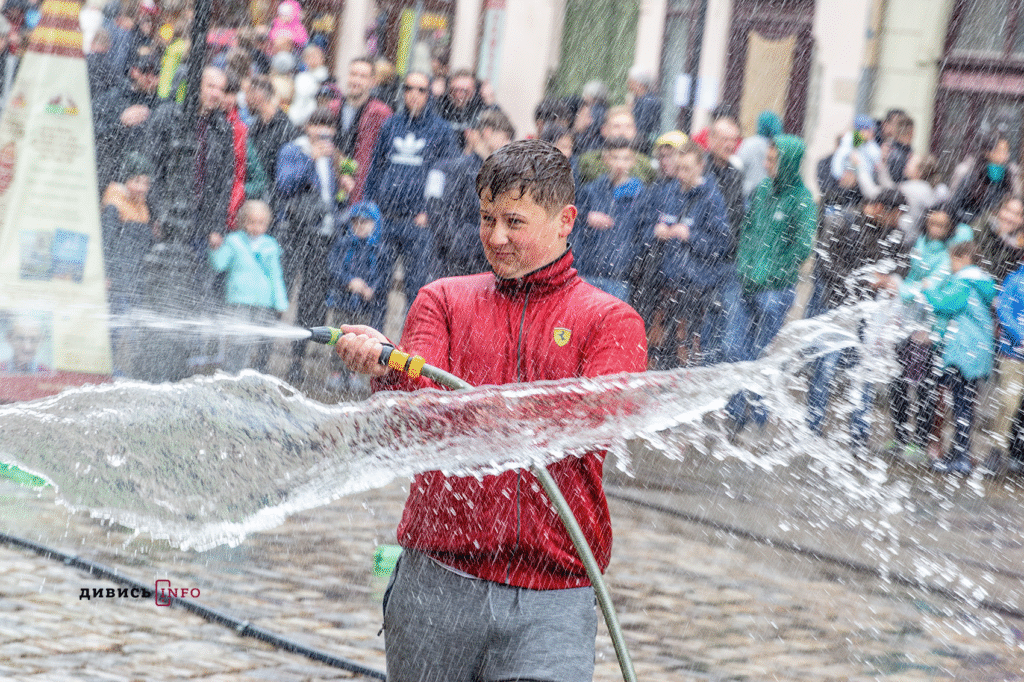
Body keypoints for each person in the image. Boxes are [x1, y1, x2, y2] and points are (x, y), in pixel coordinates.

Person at [333, 139, 647, 682]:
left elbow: (594, 422)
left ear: (565, 221)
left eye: (514, 222)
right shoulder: (443, 300)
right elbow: (420, 414)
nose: (496, 237)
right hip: (437, 579)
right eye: (486, 218)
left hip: (552, 593)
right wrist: (387, 367)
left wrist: (477, 413)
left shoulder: (611, 322)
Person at [363, 70, 459, 313]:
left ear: (429, 94)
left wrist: (431, 211)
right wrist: (369, 207)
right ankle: (375, 337)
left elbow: (448, 175)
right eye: (409, 88)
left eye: (421, 90)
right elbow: (376, 168)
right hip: (386, 218)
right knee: (376, 286)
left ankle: (411, 338)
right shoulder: (391, 125)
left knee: (416, 291)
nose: (414, 94)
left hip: (418, 222)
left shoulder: (441, 130)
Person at [885, 205, 972, 461]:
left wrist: (900, 288)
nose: (935, 229)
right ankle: (900, 435)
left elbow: (930, 286)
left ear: (949, 229)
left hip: (931, 329)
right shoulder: (920, 244)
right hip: (907, 322)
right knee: (897, 381)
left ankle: (921, 442)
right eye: (932, 223)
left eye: (941, 226)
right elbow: (913, 279)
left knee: (925, 388)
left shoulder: (947, 255)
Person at [725, 135, 816, 362]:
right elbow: (748, 229)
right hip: (746, 282)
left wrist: (773, 270)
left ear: (788, 163)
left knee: (760, 358)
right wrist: (745, 263)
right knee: (731, 348)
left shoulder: (802, 199)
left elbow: (803, 246)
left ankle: (754, 388)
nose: (766, 165)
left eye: (773, 160)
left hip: (775, 290)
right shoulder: (763, 188)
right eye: (767, 158)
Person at [643, 140, 731, 369]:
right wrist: (655, 231)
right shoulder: (667, 192)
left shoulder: (712, 199)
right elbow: (642, 226)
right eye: (679, 168)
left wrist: (691, 236)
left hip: (695, 290)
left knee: (687, 354)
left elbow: (721, 245)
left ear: (700, 166)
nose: (681, 175)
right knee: (656, 351)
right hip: (664, 284)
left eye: (687, 169)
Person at [275, 107, 344, 385]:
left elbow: (330, 196)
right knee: (283, 292)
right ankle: (262, 355)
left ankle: (297, 359)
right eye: (317, 124)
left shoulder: (332, 156)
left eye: (328, 126)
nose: (323, 131)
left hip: (323, 236)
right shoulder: (294, 150)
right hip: (296, 232)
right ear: (307, 127)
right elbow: (284, 184)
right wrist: (309, 160)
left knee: (312, 300)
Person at [920, 241, 996, 474]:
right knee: (965, 403)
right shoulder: (980, 283)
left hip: (964, 352)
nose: (950, 266)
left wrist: (928, 289)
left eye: (952, 260)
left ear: (963, 259)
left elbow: (943, 305)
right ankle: (960, 452)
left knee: (961, 404)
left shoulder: (964, 283)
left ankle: (961, 457)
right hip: (976, 352)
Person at [426, 109, 515, 279]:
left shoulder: (501, 176)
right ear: (487, 132)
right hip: (455, 266)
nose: (508, 143)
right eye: (505, 137)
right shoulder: (455, 169)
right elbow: (441, 216)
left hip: (484, 264)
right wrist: (462, 248)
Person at [207, 200, 289, 373]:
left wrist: (280, 302)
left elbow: (276, 276)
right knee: (239, 340)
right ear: (243, 221)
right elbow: (219, 265)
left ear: (267, 223)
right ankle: (232, 372)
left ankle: (249, 373)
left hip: (263, 301)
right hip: (239, 300)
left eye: (261, 223)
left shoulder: (270, 245)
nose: (256, 227)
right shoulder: (234, 241)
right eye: (251, 222)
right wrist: (214, 249)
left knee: (256, 341)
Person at [572, 136, 648, 303]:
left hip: (619, 276)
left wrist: (629, 263)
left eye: (626, 159)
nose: (620, 164)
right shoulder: (591, 190)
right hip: (588, 273)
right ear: (606, 159)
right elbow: (577, 233)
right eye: (615, 158)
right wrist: (578, 268)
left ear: (633, 161)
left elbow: (643, 236)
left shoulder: (641, 195)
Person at [101, 153, 155, 377]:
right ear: (126, 180)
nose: (142, 188)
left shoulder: (142, 208)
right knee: (115, 325)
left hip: (134, 278)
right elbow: (107, 241)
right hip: (118, 278)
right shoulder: (115, 205)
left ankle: (121, 368)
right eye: (137, 181)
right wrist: (106, 274)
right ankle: (108, 367)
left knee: (128, 327)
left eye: (146, 183)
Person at [325, 201, 386, 394]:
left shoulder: (379, 249)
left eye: (365, 222)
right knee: (340, 337)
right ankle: (336, 372)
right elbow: (333, 268)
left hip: (365, 306)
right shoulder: (343, 244)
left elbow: (384, 275)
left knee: (359, 341)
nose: (360, 226)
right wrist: (348, 281)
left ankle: (353, 373)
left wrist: (372, 289)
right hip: (342, 301)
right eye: (356, 222)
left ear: (375, 224)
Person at [93, 51, 161, 191]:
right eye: (144, 71)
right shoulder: (112, 98)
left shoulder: (161, 107)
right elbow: (93, 132)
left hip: (145, 183)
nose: (150, 77)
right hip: (112, 177)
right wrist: (120, 123)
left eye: (155, 73)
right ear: (134, 71)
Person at [333, 56, 393, 204]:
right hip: (333, 187)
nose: (356, 80)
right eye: (353, 74)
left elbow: (384, 156)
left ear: (373, 82)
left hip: (364, 192)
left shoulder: (381, 113)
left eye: (363, 76)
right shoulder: (333, 108)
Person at [246, 75, 300, 199]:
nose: (245, 99)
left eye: (248, 93)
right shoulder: (255, 127)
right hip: (261, 196)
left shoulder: (286, 127)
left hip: (279, 198)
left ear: (258, 95)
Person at [948, 132, 1017, 225]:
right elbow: (955, 206)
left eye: (1006, 151)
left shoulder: (1009, 176)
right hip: (972, 226)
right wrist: (976, 221)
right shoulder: (971, 175)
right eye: (1001, 150)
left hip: (997, 229)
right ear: (988, 152)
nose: (1006, 155)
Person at [736, 110, 783, 201]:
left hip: (748, 193)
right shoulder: (777, 146)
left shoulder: (749, 144)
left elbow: (737, 165)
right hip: (768, 194)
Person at [436, 68, 484, 146]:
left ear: (473, 91)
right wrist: (433, 95)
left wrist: (489, 101)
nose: (459, 95)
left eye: (465, 91)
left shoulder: (480, 109)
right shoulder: (441, 105)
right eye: (455, 90)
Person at [627, 66, 661, 154]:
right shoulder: (639, 99)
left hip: (644, 146)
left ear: (638, 83)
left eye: (630, 81)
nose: (628, 84)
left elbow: (643, 127)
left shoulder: (649, 101)